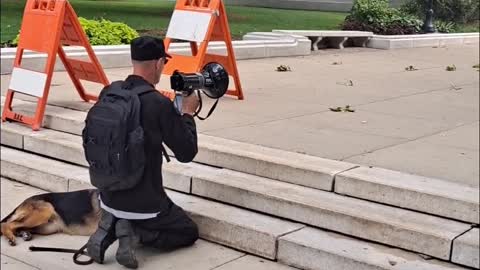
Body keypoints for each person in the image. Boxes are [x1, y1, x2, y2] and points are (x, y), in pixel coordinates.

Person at [86, 36, 200, 269]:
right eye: (164, 64)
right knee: (188, 232)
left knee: (130, 203)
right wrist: (187, 113)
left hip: (107, 195)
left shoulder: (110, 92)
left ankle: (112, 223)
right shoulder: (157, 103)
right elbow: (186, 153)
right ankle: (135, 232)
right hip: (145, 204)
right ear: (158, 63)